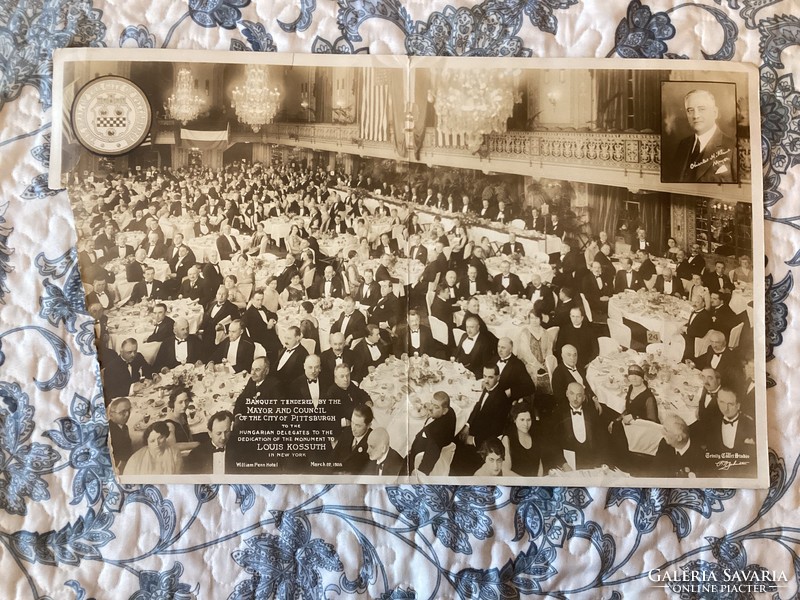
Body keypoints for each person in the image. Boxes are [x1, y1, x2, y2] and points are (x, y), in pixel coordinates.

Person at [672, 89, 737, 183]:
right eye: (690, 110)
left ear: (715, 112)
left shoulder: (733, 147)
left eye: (701, 109)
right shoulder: (683, 145)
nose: (695, 115)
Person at [552, 382, 608, 471]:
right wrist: (563, 464)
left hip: (592, 463)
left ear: (584, 397)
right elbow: (553, 443)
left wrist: (600, 462)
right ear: (567, 394)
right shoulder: (558, 414)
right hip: (568, 465)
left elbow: (603, 440)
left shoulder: (592, 414)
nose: (575, 399)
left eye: (579, 395)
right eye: (572, 394)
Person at [407, 391, 456, 476]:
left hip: (417, 457)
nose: (430, 408)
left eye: (436, 407)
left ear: (444, 411)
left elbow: (429, 459)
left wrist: (418, 474)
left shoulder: (437, 433)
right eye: (432, 403)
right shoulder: (450, 411)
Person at [516, 306, 554, 395]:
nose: (534, 320)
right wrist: (538, 365)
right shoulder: (525, 332)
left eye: (536, 318)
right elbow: (526, 353)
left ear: (540, 319)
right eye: (532, 318)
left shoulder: (545, 333)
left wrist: (546, 362)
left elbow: (549, 349)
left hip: (544, 363)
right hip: (530, 363)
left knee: (549, 378)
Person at [500, 400, 543, 476]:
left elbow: (539, 466)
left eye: (528, 420)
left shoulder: (535, 436)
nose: (525, 424)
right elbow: (506, 471)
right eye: (522, 420)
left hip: (534, 483)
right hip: (517, 483)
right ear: (514, 419)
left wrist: (538, 482)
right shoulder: (507, 439)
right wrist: (528, 483)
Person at [183, 411, 234, 475]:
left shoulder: (238, 451)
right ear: (210, 433)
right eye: (219, 433)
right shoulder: (196, 454)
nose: (223, 437)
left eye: (227, 432)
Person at [332, 404, 374, 474]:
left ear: (368, 425)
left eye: (358, 425)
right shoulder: (347, 432)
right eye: (352, 422)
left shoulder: (374, 441)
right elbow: (333, 457)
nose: (353, 428)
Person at [107, 397, 133, 470]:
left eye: (129, 410)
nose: (127, 414)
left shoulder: (123, 426)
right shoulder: (110, 433)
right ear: (111, 415)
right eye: (123, 412)